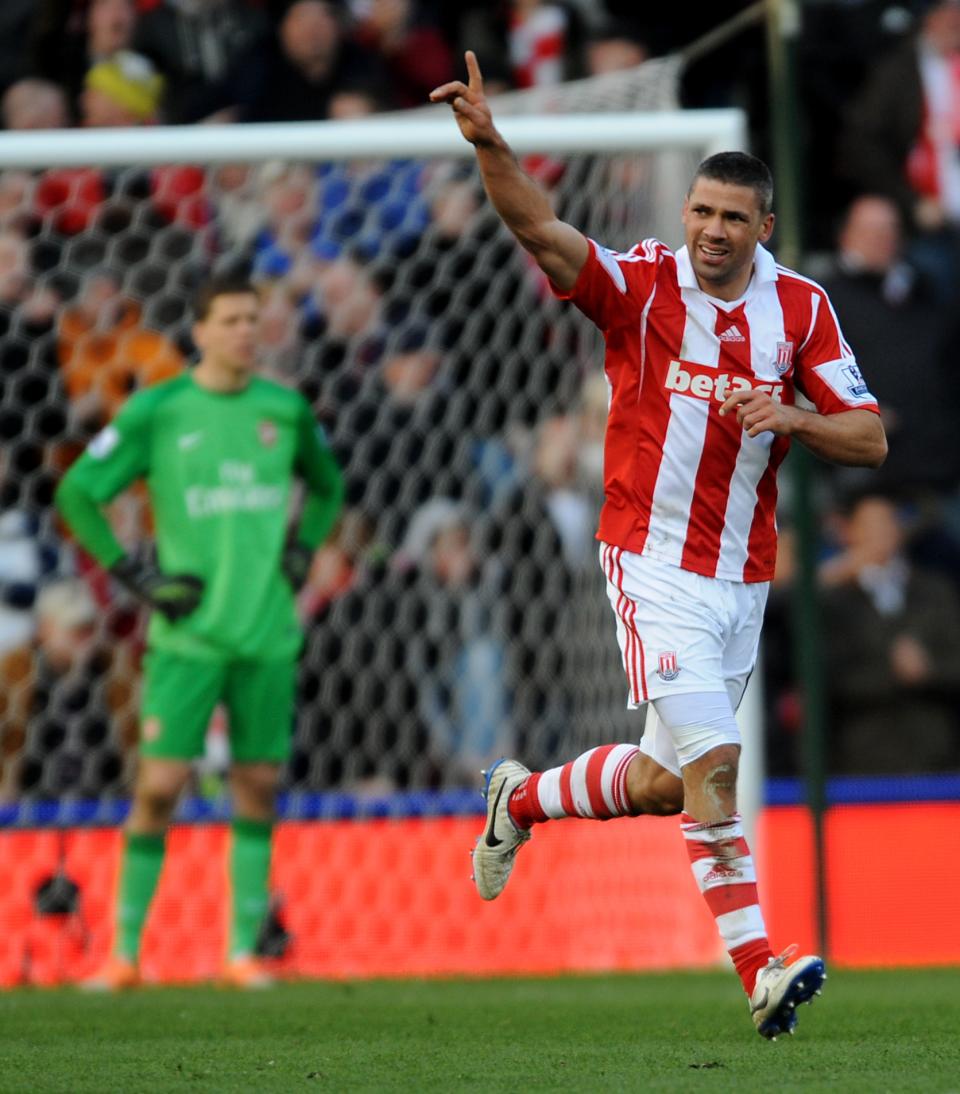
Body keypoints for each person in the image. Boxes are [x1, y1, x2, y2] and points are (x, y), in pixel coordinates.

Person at [430, 52, 887, 1039]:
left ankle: (524, 796)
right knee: (716, 762)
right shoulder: (642, 285)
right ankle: (762, 970)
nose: (713, 232)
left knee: (667, 781)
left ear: (764, 226)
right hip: (651, 557)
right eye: (701, 213)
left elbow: (871, 436)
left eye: (734, 218)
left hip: (743, 575)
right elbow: (542, 234)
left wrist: (794, 417)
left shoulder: (800, 307)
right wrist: (492, 146)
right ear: (684, 212)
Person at [54, 274, 344, 988]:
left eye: (254, 318)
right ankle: (123, 957)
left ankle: (241, 953)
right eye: (232, 319)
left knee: (257, 785)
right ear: (200, 332)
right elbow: (77, 493)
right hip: (186, 637)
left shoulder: (285, 409)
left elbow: (329, 485)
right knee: (158, 788)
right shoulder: (158, 410)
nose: (247, 330)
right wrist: (137, 578)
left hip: (267, 631)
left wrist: (304, 549)